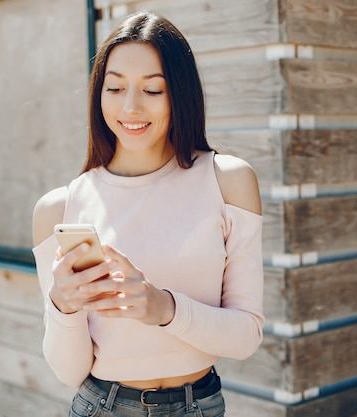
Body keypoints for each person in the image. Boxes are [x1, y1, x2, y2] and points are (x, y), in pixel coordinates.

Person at [32, 10, 264, 417]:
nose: (131, 107)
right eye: (115, 88)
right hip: (102, 406)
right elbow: (69, 372)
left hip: (201, 404)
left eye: (153, 90)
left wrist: (165, 308)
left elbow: (246, 336)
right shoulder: (59, 207)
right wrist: (62, 306)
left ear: (180, 93)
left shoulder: (228, 180)